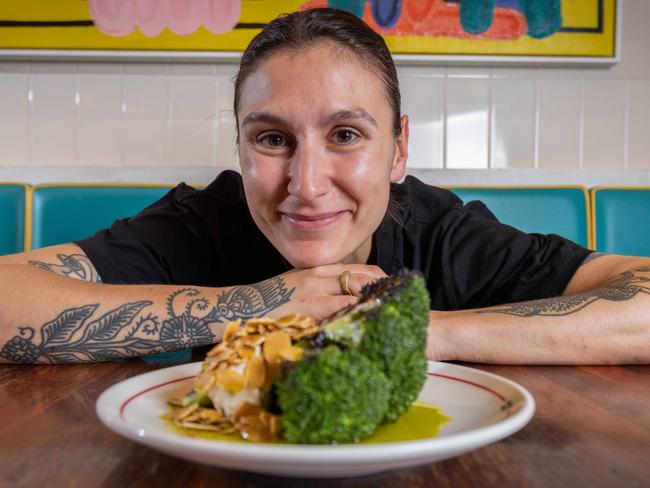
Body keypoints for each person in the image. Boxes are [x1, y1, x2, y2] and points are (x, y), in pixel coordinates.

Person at [1, 8, 648, 365]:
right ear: (241, 148)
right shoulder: (202, 222)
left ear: (398, 150)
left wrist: (421, 331)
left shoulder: (439, 229)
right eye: (273, 140)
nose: (306, 186)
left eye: (344, 135)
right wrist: (263, 304)